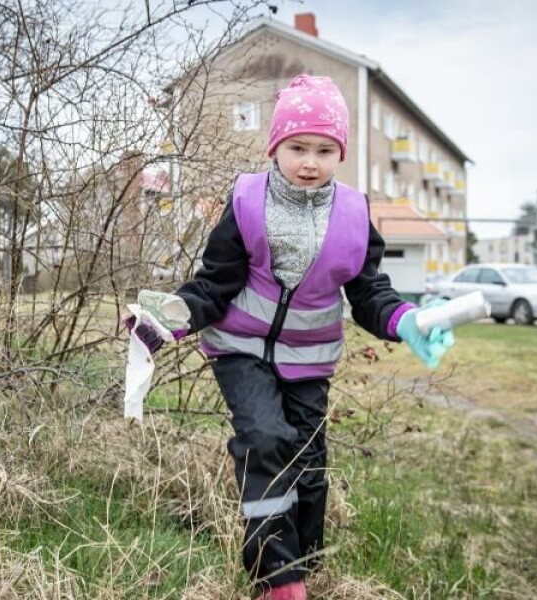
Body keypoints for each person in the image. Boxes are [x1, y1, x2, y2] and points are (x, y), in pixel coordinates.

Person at [126, 74, 454, 600]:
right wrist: (174, 315)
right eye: (298, 147)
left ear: (339, 153)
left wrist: (405, 322)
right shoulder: (246, 202)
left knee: (308, 461)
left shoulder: (354, 214)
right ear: (275, 146)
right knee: (264, 441)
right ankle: (277, 578)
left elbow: (370, 293)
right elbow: (215, 283)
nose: (310, 161)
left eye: (325, 150)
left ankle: (306, 560)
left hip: (311, 361)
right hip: (240, 351)